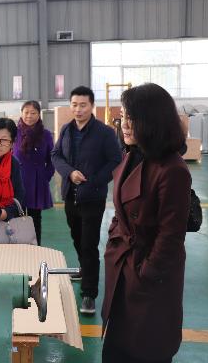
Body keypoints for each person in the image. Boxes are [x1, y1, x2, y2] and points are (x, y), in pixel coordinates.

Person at [101, 83, 191, 363]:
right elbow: (121, 211)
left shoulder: (173, 169)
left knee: (146, 349)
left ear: (153, 121)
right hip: (123, 267)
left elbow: (171, 235)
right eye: (123, 117)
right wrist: (114, 237)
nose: (125, 125)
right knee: (117, 347)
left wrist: (146, 272)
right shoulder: (132, 155)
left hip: (150, 280)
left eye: (132, 118)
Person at [51, 85, 121, 315]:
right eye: (74, 105)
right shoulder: (66, 129)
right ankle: (84, 269)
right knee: (77, 237)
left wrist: (95, 181)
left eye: (83, 105)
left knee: (89, 245)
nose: (78, 109)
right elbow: (56, 155)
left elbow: (115, 160)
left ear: (92, 106)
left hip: (92, 197)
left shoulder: (104, 133)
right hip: (70, 196)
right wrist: (69, 172)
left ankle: (89, 293)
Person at [12, 101, 54, 246]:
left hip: (37, 182)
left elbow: (52, 159)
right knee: (16, 217)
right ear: (21, 113)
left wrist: (45, 177)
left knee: (35, 218)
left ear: (38, 114)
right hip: (17, 181)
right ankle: (18, 248)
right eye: (26, 112)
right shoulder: (13, 132)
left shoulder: (45, 135)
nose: (29, 116)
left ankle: (36, 248)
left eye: (33, 113)